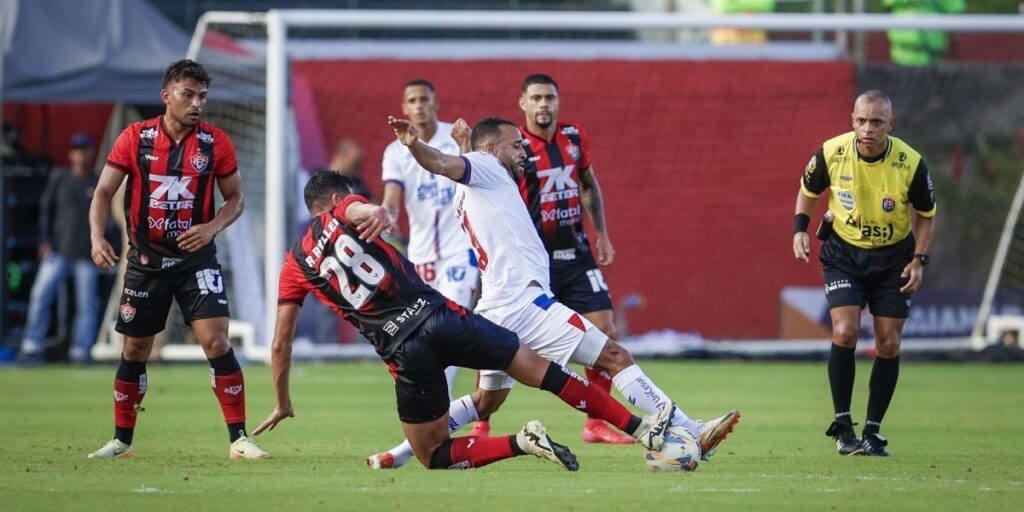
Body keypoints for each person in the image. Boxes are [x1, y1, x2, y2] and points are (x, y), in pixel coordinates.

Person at [252, 170, 675, 471]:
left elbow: (280, 344)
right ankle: (643, 430)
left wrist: (282, 400)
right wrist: (373, 209)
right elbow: (359, 209)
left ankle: (520, 443)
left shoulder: (293, 264)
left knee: (431, 454)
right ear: (332, 201)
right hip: (443, 316)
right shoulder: (343, 209)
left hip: (404, 352)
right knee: (542, 371)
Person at [382, 115, 740, 466]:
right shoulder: (487, 167)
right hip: (525, 304)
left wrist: (463, 144)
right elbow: (443, 163)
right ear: (491, 150)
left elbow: (458, 166)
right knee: (615, 356)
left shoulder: (472, 187)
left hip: (494, 309)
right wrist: (415, 144)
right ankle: (688, 428)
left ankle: (401, 452)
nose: (524, 152)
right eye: (517, 146)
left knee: (487, 400)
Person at [86, 59, 268, 460]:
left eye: (202, 96)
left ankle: (239, 439)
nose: (197, 103)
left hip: (196, 260)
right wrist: (98, 236)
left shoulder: (215, 142)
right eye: (188, 95)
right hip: (146, 261)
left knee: (216, 340)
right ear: (166, 96)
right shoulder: (135, 138)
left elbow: (236, 198)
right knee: (135, 350)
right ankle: (122, 441)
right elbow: (102, 192)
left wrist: (211, 227)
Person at [472, 73, 632, 444]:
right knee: (497, 339)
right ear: (522, 103)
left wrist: (602, 234)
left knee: (606, 329)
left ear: (558, 102)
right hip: (529, 261)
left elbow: (588, 184)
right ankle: (481, 423)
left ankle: (595, 423)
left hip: (576, 252)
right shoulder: (510, 146)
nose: (544, 104)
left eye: (550, 98)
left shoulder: (575, 138)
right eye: (537, 98)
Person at [793, 90, 937, 457]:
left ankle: (873, 431)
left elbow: (926, 214)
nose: (867, 129)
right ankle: (843, 425)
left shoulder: (910, 163)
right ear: (852, 120)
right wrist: (799, 230)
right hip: (844, 254)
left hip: (894, 260)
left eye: (876, 122)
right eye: (861, 120)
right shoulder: (831, 152)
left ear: (891, 123)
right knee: (845, 331)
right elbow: (808, 191)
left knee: (888, 343)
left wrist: (918, 260)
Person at [366, 80, 479, 469]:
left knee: (447, 330)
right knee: (429, 339)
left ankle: (432, 430)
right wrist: (387, 215)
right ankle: (448, 425)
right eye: (411, 101)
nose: (418, 106)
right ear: (404, 106)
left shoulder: (457, 137)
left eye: (424, 99)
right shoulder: (394, 150)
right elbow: (392, 196)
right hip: (420, 258)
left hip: (460, 252)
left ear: (435, 103)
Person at [18, 133, 103, 365]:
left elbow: (106, 218)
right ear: (70, 154)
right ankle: (31, 344)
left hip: (86, 252)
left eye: (84, 150)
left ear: (92, 153)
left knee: (87, 304)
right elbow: (46, 209)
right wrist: (44, 240)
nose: (81, 154)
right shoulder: (60, 177)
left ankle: (81, 350)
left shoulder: (97, 182)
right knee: (40, 296)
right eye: (77, 149)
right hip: (57, 250)